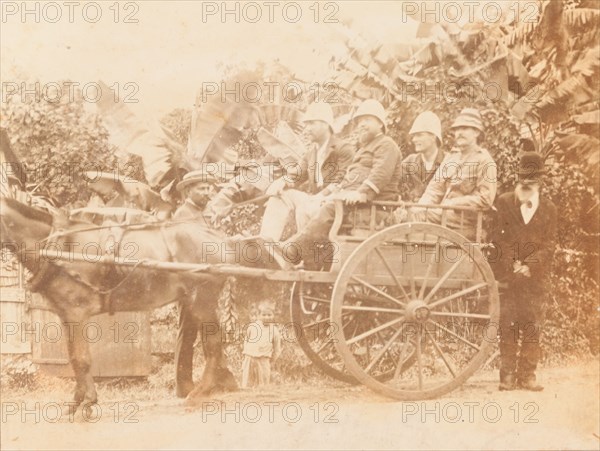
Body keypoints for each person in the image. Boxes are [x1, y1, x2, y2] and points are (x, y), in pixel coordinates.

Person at [285, 99, 402, 268]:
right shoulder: (363, 148)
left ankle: (295, 250)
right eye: (359, 121)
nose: (362, 124)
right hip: (352, 201)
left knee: (329, 210)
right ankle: (312, 261)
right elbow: (349, 178)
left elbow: (381, 174)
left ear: (380, 123)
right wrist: (335, 193)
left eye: (367, 120)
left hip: (373, 205)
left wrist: (362, 192)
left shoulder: (386, 145)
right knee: (320, 207)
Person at [490, 147, 557, 391]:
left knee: (532, 324)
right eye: (522, 180)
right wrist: (513, 264)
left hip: (535, 278)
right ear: (517, 179)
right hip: (508, 275)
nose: (526, 185)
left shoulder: (549, 209)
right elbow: (497, 239)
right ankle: (506, 375)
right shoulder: (504, 202)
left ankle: (528, 375)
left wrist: (530, 266)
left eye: (532, 181)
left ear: (540, 182)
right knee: (507, 323)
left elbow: (550, 245)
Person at [259, 102, 355, 241]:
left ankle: (304, 254)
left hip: (333, 203)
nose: (307, 129)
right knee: (281, 195)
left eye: (312, 123)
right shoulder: (311, 153)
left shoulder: (343, 149)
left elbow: (341, 180)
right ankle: (266, 243)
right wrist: (281, 181)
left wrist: (320, 197)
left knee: (305, 207)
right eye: (306, 124)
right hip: (315, 202)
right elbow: (297, 174)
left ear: (326, 124)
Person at [173, 169, 220, 397]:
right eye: (201, 189)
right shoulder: (183, 214)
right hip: (190, 282)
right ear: (189, 191)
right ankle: (183, 384)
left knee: (211, 328)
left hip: (206, 282)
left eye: (208, 188)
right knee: (188, 331)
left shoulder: (204, 214)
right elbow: (186, 249)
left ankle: (217, 378)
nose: (206, 192)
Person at [417, 108, 497, 240]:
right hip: (444, 215)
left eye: (464, 128)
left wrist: (454, 203)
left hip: (466, 220)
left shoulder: (485, 161)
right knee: (412, 213)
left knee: (420, 215)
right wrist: (419, 207)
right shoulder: (451, 158)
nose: (459, 133)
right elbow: (434, 189)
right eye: (457, 129)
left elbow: (485, 199)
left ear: (476, 132)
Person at [399, 111, 446, 202]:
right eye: (414, 136)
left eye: (419, 135)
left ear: (433, 137)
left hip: (438, 214)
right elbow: (394, 180)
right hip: (413, 213)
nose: (414, 140)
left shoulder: (447, 161)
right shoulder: (410, 161)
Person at [241, 301, 282, 388]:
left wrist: (271, 360)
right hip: (250, 359)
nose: (266, 317)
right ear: (259, 315)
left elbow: (277, 349)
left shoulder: (274, 330)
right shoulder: (252, 327)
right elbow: (246, 341)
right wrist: (246, 356)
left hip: (264, 360)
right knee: (248, 384)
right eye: (264, 315)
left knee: (263, 385)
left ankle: (262, 399)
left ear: (273, 316)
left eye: (269, 315)